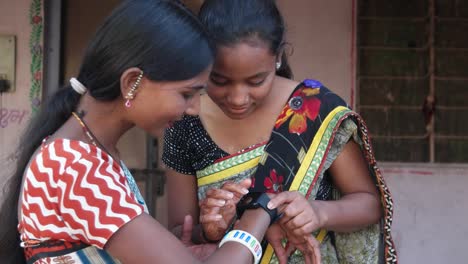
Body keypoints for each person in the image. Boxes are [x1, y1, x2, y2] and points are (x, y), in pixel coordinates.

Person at [0, 1, 321, 263]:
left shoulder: (88, 154)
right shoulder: (73, 166)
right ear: (132, 83)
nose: (195, 108)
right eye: (186, 94)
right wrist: (258, 213)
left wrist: (185, 252)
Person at [162, 0, 397, 263]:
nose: (238, 98)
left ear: (278, 58)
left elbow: (369, 203)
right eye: (219, 80)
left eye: (256, 81)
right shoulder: (185, 122)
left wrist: (318, 213)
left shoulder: (317, 110)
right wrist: (207, 230)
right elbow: (177, 232)